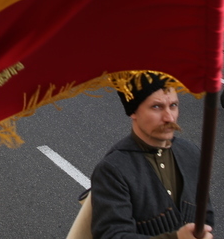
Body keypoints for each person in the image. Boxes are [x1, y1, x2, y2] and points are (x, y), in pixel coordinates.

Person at [88, 74, 214, 239]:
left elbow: (206, 214)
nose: (169, 117)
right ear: (133, 112)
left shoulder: (191, 152)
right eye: (156, 107)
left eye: (173, 105)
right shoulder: (112, 170)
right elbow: (112, 235)